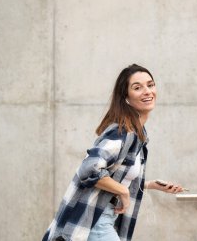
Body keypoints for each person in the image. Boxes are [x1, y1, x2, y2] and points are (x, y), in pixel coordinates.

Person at [42, 64, 186, 241]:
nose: (147, 91)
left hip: (103, 219)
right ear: (126, 97)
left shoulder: (138, 134)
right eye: (137, 87)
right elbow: (88, 169)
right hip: (93, 222)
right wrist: (123, 192)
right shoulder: (123, 132)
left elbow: (114, 174)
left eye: (150, 85)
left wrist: (149, 184)